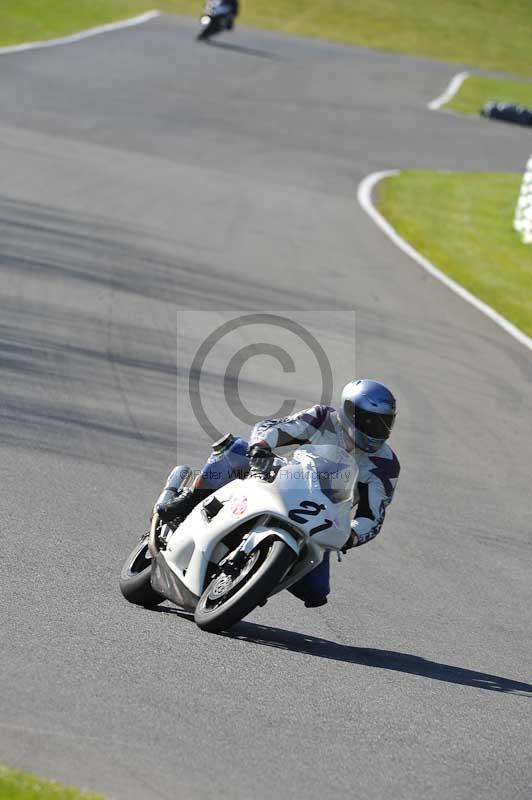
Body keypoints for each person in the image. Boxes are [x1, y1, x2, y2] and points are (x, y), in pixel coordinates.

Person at [156, 379, 400, 608]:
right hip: (278, 480)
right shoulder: (323, 417)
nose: (378, 430)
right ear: (350, 412)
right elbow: (275, 427)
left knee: (316, 591)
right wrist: (262, 446)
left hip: (319, 517)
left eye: (385, 423)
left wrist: (353, 535)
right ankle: (191, 499)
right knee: (235, 450)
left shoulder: (386, 465)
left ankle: (254, 582)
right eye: (370, 421)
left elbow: (373, 515)